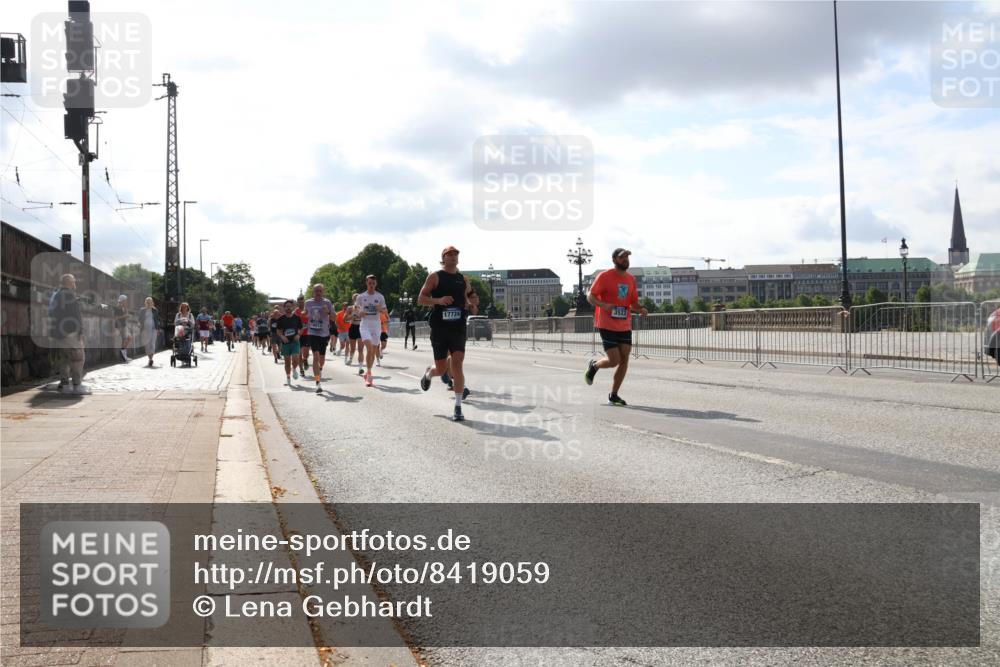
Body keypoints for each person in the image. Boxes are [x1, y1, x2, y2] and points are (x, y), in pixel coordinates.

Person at [418, 246, 480, 421]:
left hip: (458, 327)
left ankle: (458, 407)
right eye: (450, 254)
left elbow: (472, 297)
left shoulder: (463, 279)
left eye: (456, 254)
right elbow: (421, 299)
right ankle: (429, 374)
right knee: (441, 368)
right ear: (443, 258)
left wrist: (472, 304)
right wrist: (439, 300)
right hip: (440, 327)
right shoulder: (435, 276)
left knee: (458, 363)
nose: (453, 257)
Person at [583, 248, 648, 405]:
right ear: (614, 260)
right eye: (622, 257)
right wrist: (603, 305)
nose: (625, 259)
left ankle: (614, 395)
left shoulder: (631, 279)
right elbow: (590, 296)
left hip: (624, 324)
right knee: (614, 360)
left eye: (627, 257)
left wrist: (640, 309)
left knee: (624, 358)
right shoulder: (605, 276)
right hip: (606, 323)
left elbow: (632, 302)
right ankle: (594, 366)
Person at [48, 273, 89, 394]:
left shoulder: (55, 294)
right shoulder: (69, 295)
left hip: (58, 333)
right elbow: (75, 315)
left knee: (64, 359)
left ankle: (64, 385)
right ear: (70, 283)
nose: (75, 283)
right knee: (78, 358)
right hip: (70, 333)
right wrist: (80, 330)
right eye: (74, 281)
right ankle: (77, 385)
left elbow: (51, 313)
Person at [354, 275, 388, 386]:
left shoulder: (380, 297)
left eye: (373, 283)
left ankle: (368, 372)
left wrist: (380, 309)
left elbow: (385, 312)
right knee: (369, 349)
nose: (371, 285)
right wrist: (359, 312)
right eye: (369, 283)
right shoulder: (361, 296)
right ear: (366, 283)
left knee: (373, 351)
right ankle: (369, 374)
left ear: (376, 284)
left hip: (376, 325)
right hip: (365, 325)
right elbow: (356, 308)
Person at [304, 283, 336, 393]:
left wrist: (328, 312)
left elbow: (334, 318)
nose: (318, 293)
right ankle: (318, 383)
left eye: (320, 291)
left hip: (324, 334)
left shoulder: (327, 302)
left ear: (323, 292)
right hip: (312, 333)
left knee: (321, 360)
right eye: (316, 290)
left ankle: (320, 369)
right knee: (316, 356)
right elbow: (305, 313)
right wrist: (304, 314)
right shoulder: (308, 303)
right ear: (313, 292)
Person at [276, 299, 303, 384]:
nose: (288, 308)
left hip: (295, 342)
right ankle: (288, 378)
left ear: (293, 307)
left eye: (290, 306)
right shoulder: (281, 319)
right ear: (284, 308)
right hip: (286, 343)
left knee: (296, 359)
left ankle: (294, 369)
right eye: (287, 306)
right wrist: (282, 336)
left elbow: (301, 329)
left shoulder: (297, 318)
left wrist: (298, 335)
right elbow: (278, 331)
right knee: (287, 362)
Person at [138, 297, 161, 366]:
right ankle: (150, 358)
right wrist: (139, 325)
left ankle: (151, 359)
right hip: (145, 330)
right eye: (147, 302)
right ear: (145, 303)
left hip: (154, 329)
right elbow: (139, 319)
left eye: (150, 302)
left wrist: (158, 329)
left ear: (152, 303)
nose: (149, 303)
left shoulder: (155, 310)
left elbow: (157, 320)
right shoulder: (142, 310)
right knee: (147, 344)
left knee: (152, 344)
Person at [294, 295, 311, 375]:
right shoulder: (295, 312)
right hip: (299, 335)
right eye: (299, 302)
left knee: (306, 353)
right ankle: (301, 369)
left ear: (304, 302)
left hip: (307, 334)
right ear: (297, 303)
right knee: (299, 353)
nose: (301, 304)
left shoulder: (308, 310)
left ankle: (305, 360)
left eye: (302, 302)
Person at [113, 294, 132, 362]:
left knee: (129, 338)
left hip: (124, 325)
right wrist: (125, 316)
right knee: (125, 339)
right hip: (120, 326)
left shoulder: (123, 307)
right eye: (125, 300)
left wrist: (126, 314)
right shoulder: (117, 307)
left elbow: (125, 315)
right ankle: (123, 356)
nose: (126, 301)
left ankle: (123, 354)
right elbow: (116, 318)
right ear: (122, 300)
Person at [346, 293, 362, 367]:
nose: (357, 300)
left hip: (361, 327)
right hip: (353, 327)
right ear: (353, 300)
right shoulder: (350, 308)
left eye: (358, 298)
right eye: (355, 299)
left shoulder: (364, 307)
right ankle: (351, 358)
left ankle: (360, 365)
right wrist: (352, 317)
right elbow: (345, 319)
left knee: (360, 348)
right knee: (352, 348)